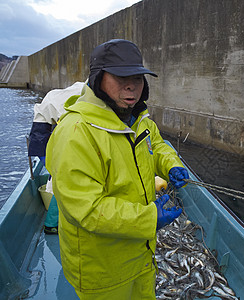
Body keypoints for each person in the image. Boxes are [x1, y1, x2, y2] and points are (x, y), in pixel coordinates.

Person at [46, 39, 189, 299]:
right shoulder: (76, 132)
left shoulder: (137, 119)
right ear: (98, 78)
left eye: (138, 77)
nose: (131, 85)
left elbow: (156, 145)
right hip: (103, 271)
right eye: (121, 76)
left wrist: (173, 165)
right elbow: (87, 209)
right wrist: (150, 218)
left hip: (142, 254)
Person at [28, 82, 84, 234]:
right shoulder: (80, 96)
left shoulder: (63, 96)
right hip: (54, 135)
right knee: (62, 181)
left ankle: (52, 223)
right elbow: (39, 138)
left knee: (60, 180)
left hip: (60, 132)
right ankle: (53, 224)